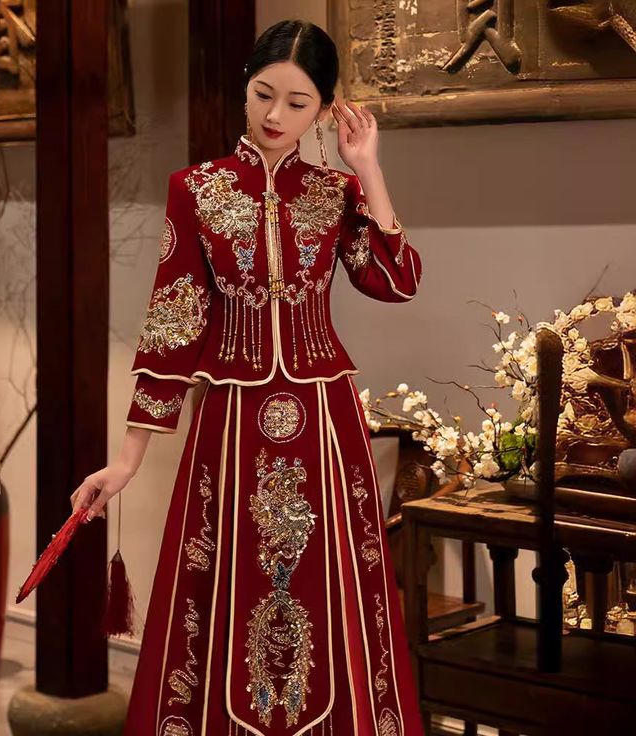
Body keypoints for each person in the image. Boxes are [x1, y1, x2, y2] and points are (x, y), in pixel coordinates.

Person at [71, 19, 423, 736]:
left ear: (324, 111)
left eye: (298, 104)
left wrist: (369, 169)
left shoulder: (335, 193)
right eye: (264, 94)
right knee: (228, 586)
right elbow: (172, 323)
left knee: (333, 594)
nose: (273, 116)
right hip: (231, 423)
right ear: (245, 86)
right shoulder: (196, 190)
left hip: (326, 424)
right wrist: (127, 459)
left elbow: (396, 282)